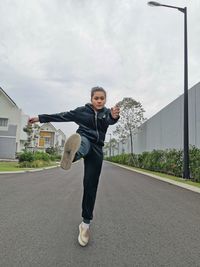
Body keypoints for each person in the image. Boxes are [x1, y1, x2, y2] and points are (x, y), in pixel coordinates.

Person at [28, 86, 120, 246]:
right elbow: (62, 116)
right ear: (91, 99)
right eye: (96, 98)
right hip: (85, 139)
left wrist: (114, 116)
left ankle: (85, 225)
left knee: (90, 186)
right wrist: (39, 118)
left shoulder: (106, 113)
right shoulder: (82, 111)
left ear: (105, 100)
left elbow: (110, 121)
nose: (99, 100)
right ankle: (73, 154)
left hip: (98, 149)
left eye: (102, 98)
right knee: (83, 142)